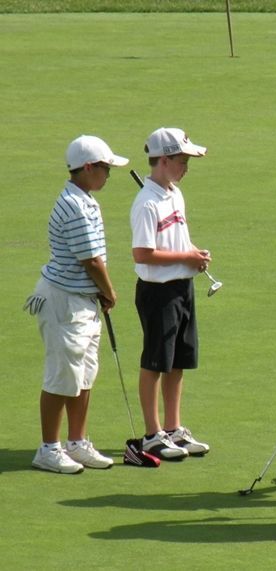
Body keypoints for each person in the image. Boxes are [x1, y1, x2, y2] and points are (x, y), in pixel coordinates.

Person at [25, 135, 128, 474]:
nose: (108, 175)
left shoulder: (84, 199)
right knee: (61, 376)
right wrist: (109, 292)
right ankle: (49, 448)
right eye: (105, 169)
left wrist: (98, 293)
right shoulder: (74, 205)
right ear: (87, 168)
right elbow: (91, 261)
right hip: (63, 301)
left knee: (84, 373)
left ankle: (77, 442)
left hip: (81, 300)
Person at [130, 127, 211, 461]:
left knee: (177, 361)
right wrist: (185, 258)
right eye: (181, 160)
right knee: (155, 362)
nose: (186, 167)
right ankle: (152, 434)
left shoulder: (174, 193)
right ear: (163, 160)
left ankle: (174, 428)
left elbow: (176, 239)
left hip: (181, 286)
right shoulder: (146, 203)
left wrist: (194, 254)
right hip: (157, 292)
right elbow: (143, 253)